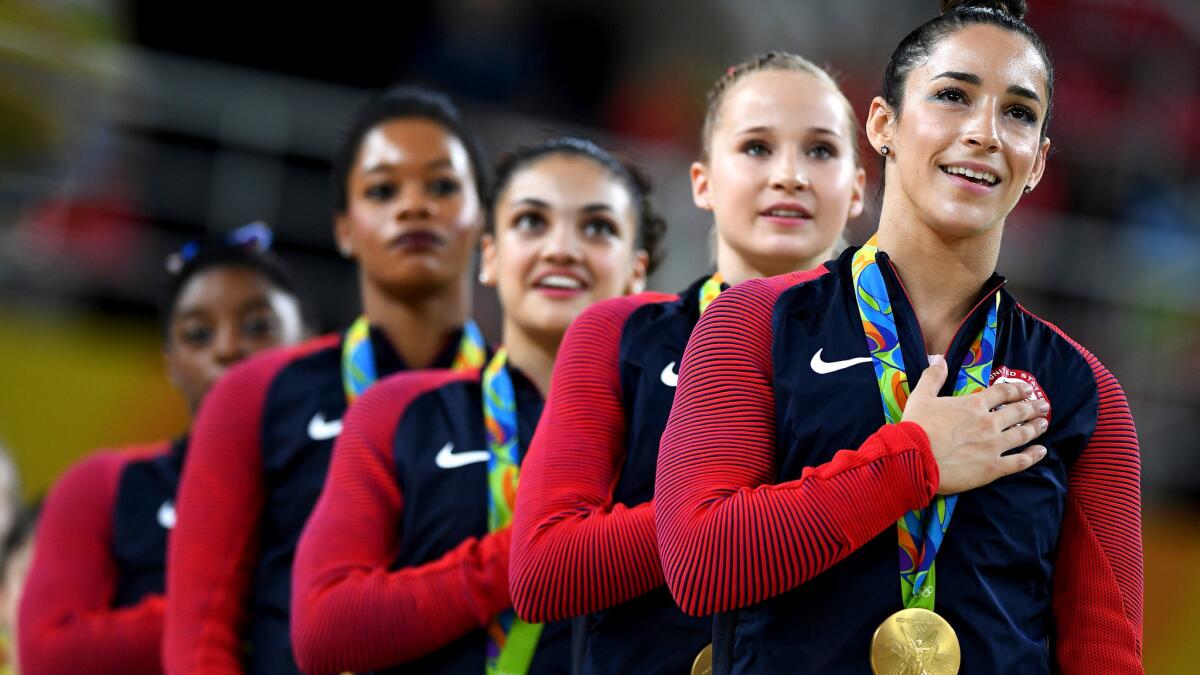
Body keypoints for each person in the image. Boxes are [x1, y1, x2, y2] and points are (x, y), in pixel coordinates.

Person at [654, 2, 1142, 673]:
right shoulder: (753, 323)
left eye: (1019, 113)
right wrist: (914, 461)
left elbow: (1105, 652)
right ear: (882, 124)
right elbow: (702, 563)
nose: (985, 133)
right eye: (951, 96)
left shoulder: (1083, 390)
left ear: (1037, 163)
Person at [509, 52, 866, 674]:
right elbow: (545, 570)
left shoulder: (900, 356)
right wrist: (713, 520)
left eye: (821, 151)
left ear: (859, 188)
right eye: (756, 148)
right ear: (702, 181)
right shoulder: (622, 334)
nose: (789, 174)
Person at [290, 137, 663, 674]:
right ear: (489, 257)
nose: (562, 248)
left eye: (598, 228)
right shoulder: (397, 411)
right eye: (532, 222)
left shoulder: (675, 424)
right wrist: (543, 551)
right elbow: (324, 631)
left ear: (636, 271)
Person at [164, 86, 491, 674]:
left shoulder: (523, 403)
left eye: (442, 186)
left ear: (482, 220)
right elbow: (201, 624)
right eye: (383, 190)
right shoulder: (253, 394)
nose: (414, 206)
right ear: (344, 229)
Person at [19, 227, 310, 674]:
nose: (229, 348)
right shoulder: (104, 484)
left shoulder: (353, 472)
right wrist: (251, 603)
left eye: (258, 326)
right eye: (198, 335)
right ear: (171, 365)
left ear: (308, 343)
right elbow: (50, 651)